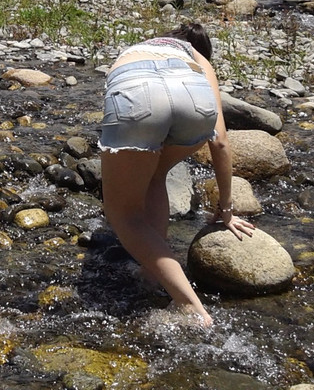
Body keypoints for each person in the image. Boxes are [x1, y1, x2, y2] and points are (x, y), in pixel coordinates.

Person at [100, 22, 254, 327]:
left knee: (124, 214)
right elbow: (220, 140)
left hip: (137, 91)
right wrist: (226, 209)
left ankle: (190, 308)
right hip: (192, 100)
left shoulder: (139, 49)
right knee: (156, 176)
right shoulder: (198, 58)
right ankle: (152, 271)